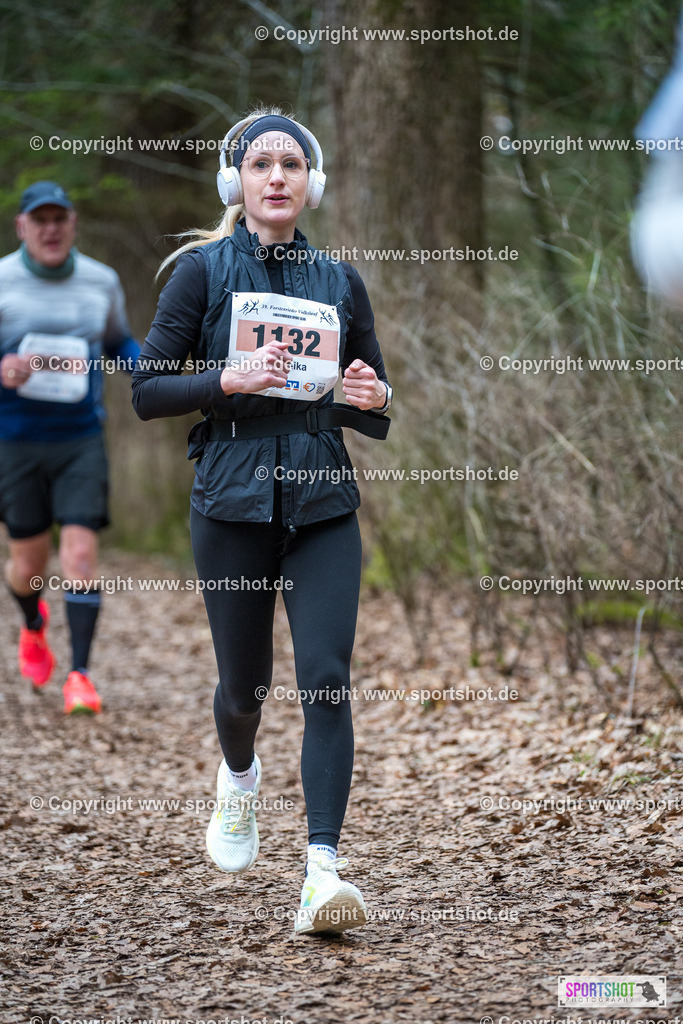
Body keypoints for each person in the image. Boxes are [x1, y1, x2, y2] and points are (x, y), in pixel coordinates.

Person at [132, 108, 392, 935]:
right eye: (258, 163)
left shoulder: (341, 281)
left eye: (290, 163)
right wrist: (228, 379)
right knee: (245, 687)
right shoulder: (200, 274)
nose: (275, 175)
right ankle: (238, 778)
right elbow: (146, 392)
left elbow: (373, 403)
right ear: (235, 182)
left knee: (325, 674)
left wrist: (373, 399)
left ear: (310, 183)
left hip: (322, 505)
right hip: (231, 501)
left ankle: (321, 873)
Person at [0, 181, 140, 713]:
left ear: (74, 223)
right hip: (14, 441)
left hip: (81, 437)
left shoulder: (100, 281)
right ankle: (33, 622)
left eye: (60, 218)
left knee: (79, 555)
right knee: (28, 566)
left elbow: (117, 341)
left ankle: (80, 674)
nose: (51, 229)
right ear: (23, 227)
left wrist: (149, 365)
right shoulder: (2, 280)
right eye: (41, 220)